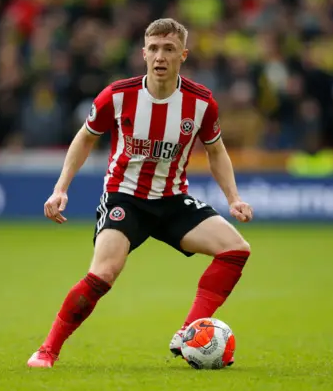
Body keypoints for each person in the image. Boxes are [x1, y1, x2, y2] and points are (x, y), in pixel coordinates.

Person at [27, 18, 253, 368]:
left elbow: (216, 151)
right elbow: (85, 137)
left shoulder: (201, 103)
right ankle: (48, 349)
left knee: (236, 250)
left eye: (169, 49)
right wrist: (61, 189)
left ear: (183, 55)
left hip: (173, 200)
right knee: (103, 274)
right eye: (154, 48)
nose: (160, 56)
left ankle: (186, 332)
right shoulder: (117, 96)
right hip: (124, 198)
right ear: (143, 52)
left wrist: (233, 198)